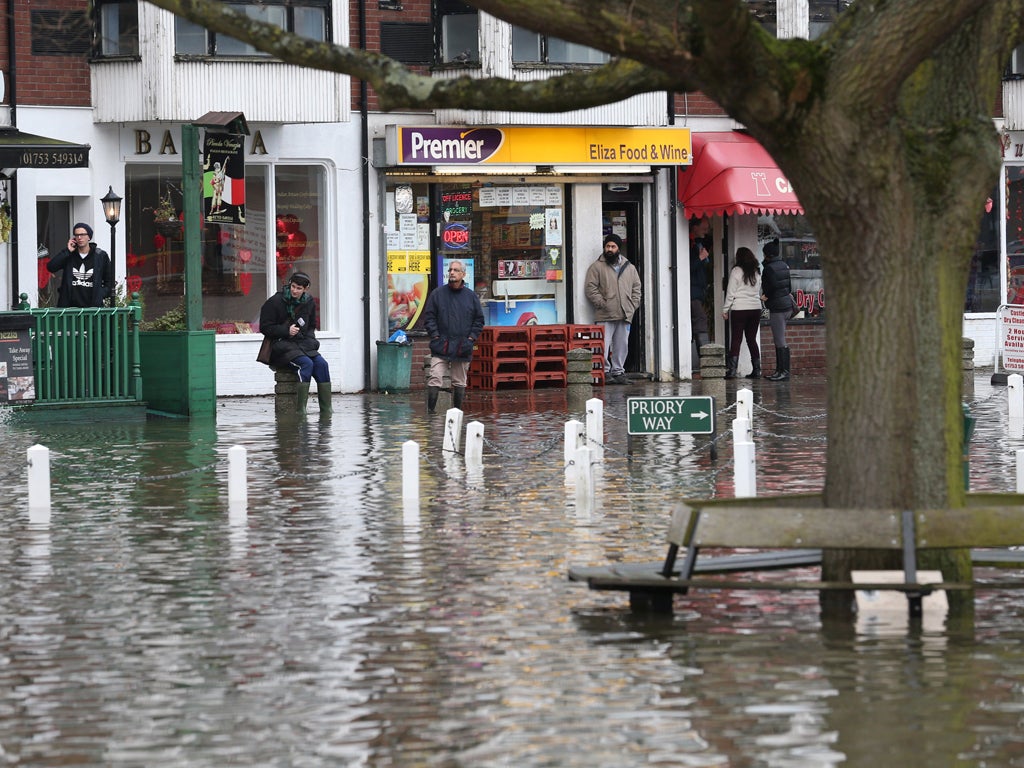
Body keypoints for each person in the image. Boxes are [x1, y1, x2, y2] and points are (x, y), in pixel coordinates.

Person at [259, 271, 332, 415]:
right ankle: (301, 411)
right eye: (293, 286)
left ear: (305, 289)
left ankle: (326, 410)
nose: (294, 290)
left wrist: (311, 341)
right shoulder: (275, 302)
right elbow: (265, 327)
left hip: (303, 345)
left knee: (322, 365)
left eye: (299, 288)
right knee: (306, 364)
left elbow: (311, 325)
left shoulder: (309, 302)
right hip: (280, 346)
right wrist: (286, 330)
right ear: (289, 284)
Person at [422, 259, 485, 413]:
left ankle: (457, 413)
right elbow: (429, 317)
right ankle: (431, 412)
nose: (451, 272)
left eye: (456, 270)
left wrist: (470, 339)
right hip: (441, 345)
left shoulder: (470, 297)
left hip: (462, 346)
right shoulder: (438, 294)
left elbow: (479, 320)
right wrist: (435, 336)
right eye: (450, 270)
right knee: (435, 377)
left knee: (459, 382)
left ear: (463, 274)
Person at [584, 233, 642, 385]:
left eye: (613, 246)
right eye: (607, 246)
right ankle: (604, 371)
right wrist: (602, 303)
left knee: (622, 344)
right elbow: (591, 288)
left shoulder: (629, 267)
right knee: (603, 344)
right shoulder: (596, 267)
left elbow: (637, 288)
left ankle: (618, 371)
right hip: (605, 314)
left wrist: (633, 305)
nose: (609, 249)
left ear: (618, 248)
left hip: (624, 313)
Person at [47, 222, 114, 308]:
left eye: (82, 234)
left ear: (89, 237)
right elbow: (51, 267)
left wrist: (99, 294)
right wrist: (67, 251)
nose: (79, 238)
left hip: (92, 310)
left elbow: (110, 281)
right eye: (77, 235)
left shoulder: (100, 256)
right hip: (70, 309)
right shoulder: (69, 255)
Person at [722, 246, 762, 379]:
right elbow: (758, 291)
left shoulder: (736, 271)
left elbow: (730, 292)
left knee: (736, 339)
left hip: (739, 309)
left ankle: (732, 371)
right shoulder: (757, 271)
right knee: (751, 339)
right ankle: (757, 370)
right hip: (755, 308)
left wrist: (725, 309)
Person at [760, 238, 794, 381]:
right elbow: (789, 287)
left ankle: (783, 371)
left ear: (768, 254)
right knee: (780, 338)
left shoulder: (769, 268)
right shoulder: (784, 265)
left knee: (779, 340)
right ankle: (780, 370)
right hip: (787, 305)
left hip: (777, 307)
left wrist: (765, 295)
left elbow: (771, 286)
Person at [689, 216, 712, 371]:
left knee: (699, 322)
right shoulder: (689, 244)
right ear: (695, 227)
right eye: (704, 227)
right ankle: (707, 362)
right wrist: (701, 258)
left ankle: (705, 361)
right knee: (701, 321)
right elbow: (687, 268)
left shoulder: (698, 243)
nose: (707, 230)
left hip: (698, 291)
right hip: (692, 291)